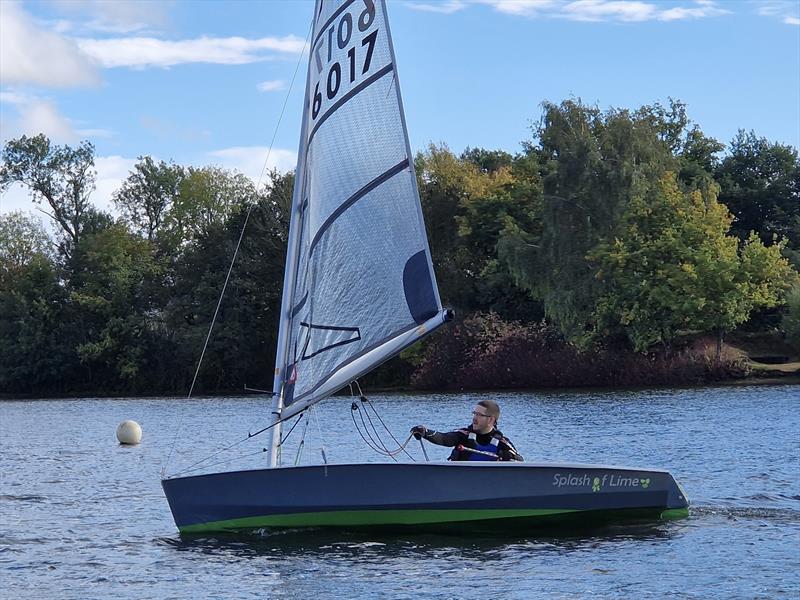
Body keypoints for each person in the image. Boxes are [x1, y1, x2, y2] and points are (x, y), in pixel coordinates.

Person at [410, 399, 523, 461]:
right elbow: (444, 439)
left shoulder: (502, 443)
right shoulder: (463, 435)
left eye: (479, 415)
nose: (474, 418)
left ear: (490, 420)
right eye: (474, 413)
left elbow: (520, 461)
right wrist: (425, 432)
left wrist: (510, 458)